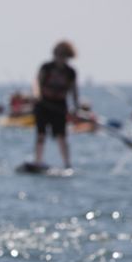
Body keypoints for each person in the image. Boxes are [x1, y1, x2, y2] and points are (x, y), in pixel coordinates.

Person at [32, 40, 79, 169]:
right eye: (58, 54)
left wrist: (76, 107)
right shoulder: (46, 67)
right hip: (43, 105)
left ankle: (67, 164)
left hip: (60, 106)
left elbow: (74, 91)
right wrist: (37, 96)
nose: (59, 58)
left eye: (62, 55)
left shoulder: (71, 72)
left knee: (61, 136)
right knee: (41, 134)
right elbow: (36, 83)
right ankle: (38, 161)